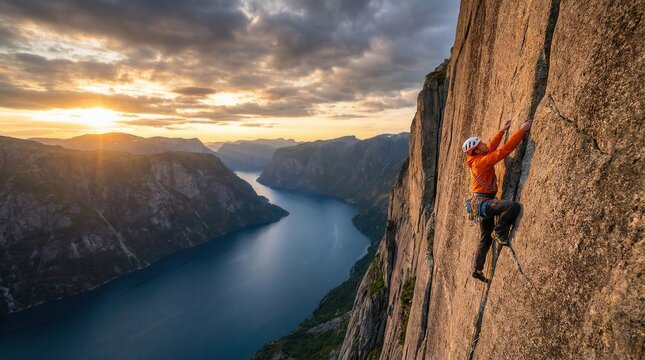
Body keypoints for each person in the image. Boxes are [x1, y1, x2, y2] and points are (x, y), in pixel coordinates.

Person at [462, 119, 533, 283]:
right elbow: (502, 152)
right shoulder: (480, 163)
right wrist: (521, 131)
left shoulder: (478, 158)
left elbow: (491, 147)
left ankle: (477, 269)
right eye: (480, 144)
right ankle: (499, 231)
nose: (484, 143)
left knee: (485, 238)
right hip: (484, 203)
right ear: (476, 151)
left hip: (479, 204)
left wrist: (502, 131)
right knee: (512, 207)